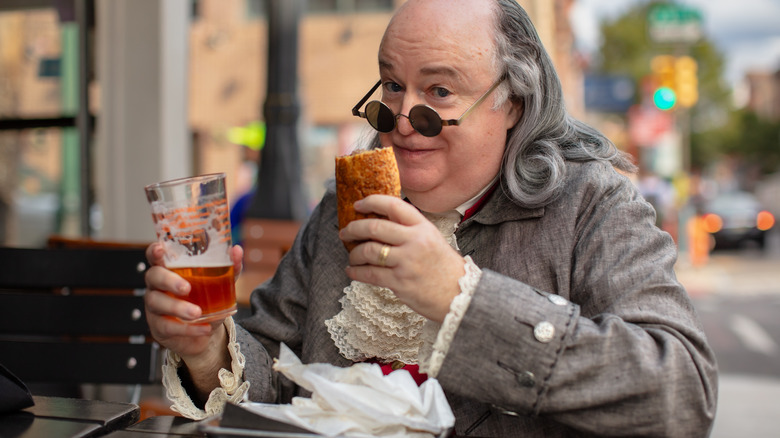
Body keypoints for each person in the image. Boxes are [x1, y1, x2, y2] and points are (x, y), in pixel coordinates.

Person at [143, 0, 718, 435]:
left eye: (439, 90)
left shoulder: (590, 204)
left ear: (512, 101)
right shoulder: (343, 212)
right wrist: (206, 349)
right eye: (392, 84)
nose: (397, 118)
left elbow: (682, 396)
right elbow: (274, 376)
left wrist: (460, 297)